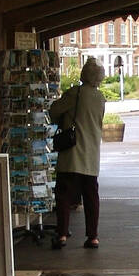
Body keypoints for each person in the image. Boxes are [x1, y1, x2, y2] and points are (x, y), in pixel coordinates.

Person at [49, 57, 106, 249]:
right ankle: (93, 236)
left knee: (64, 194)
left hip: (72, 154)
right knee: (91, 196)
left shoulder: (75, 93)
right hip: (91, 154)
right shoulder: (100, 98)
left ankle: (62, 234)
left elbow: (54, 111)